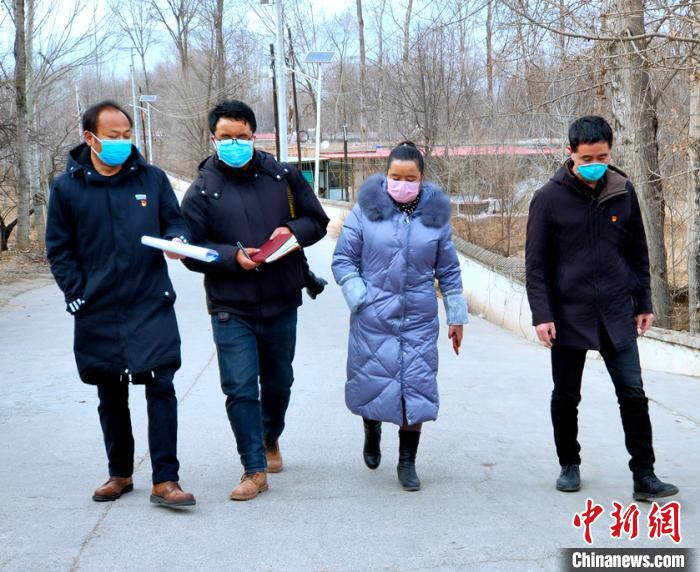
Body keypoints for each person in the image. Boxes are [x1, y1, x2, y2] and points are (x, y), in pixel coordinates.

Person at [45, 100, 195, 507]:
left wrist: (178, 240)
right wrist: (76, 293)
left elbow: (175, 221)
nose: (123, 143)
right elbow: (59, 248)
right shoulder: (67, 188)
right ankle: (120, 473)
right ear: (90, 138)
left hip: (149, 300)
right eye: (114, 136)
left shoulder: (152, 179)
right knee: (110, 391)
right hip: (98, 306)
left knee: (161, 386)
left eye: (128, 135)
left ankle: (166, 479)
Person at [180, 100, 329, 501]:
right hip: (231, 305)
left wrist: (290, 232)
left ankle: (270, 435)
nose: (235, 143)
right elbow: (191, 249)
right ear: (213, 139)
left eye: (242, 136)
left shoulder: (283, 176)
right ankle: (253, 468)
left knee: (279, 382)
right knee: (240, 387)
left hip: (281, 298)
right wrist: (233, 257)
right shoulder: (202, 190)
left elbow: (317, 221)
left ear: (254, 135)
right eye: (226, 137)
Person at [525, 115, 678, 501]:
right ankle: (569, 464)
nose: (595, 164)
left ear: (611, 152)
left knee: (633, 392)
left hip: (616, 310)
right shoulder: (548, 198)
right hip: (568, 314)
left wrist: (643, 301)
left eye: (603, 156)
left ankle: (644, 475)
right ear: (570, 153)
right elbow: (536, 265)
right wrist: (542, 315)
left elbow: (638, 251)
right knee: (566, 395)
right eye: (587, 158)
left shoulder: (622, 191)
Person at [332, 141, 467, 492]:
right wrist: (359, 296)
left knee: (417, 387)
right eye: (396, 177)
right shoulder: (365, 211)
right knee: (372, 382)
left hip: (419, 318)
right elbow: (343, 259)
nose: (402, 184)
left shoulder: (435, 219)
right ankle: (372, 428)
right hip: (373, 316)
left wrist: (456, 317)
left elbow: (449, 270)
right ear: (386, 175)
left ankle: (407, 462)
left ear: (422, 178)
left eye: (410, 179)